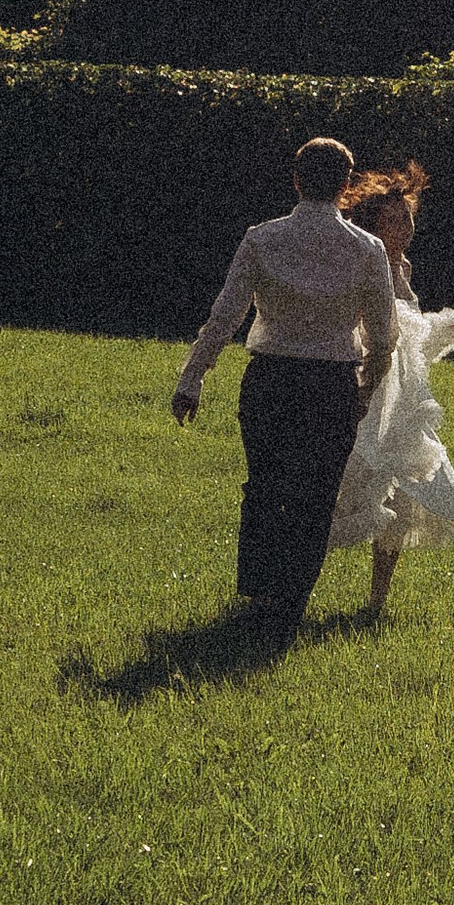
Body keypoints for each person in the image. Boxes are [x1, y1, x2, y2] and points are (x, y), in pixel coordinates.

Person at [171, 136, 397, 625]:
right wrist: (366, 389)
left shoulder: (262, 238)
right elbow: (383, 337)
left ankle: (260, 592)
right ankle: (291, 599)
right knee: (315, 496)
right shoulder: (368, 248)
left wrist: (193, 377)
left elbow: (225, 316)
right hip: (332, 383)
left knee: (266, 485)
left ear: (296, 181)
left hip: (270, 378)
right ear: (346, 186)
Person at [327, 161, 454, 617]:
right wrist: (445, 325)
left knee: (403, 497)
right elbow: (379, 327)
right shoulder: (364, 258)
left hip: (405, 395)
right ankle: (292, 589)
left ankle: (376, 601)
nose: (407, 224)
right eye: (396, 217)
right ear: (375, 222)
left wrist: (449, 326)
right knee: (345, 487)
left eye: (408, 215)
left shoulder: (404, 265)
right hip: (369, 387)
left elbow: (412, 332)